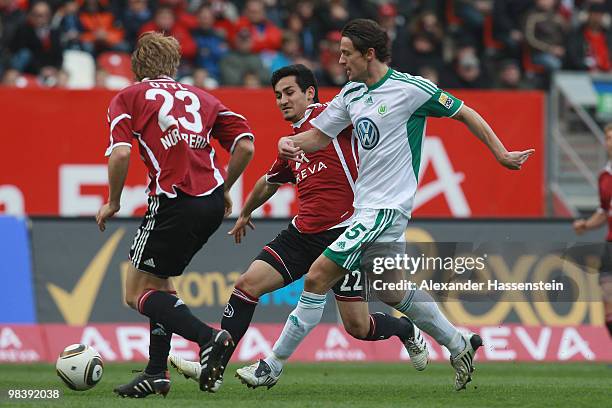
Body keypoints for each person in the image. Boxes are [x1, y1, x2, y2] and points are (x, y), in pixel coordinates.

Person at [239, 19, 534, 391]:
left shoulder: (410, 89)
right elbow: (316, 136)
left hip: (387, 209)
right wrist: (291, 142)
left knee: (316, 276)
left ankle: (273, 365)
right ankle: (459, 343)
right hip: (366, 210)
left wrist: (501, 152)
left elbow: (464, 112)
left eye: (347, 53)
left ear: (369, 53)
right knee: (391, 290)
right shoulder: (351, 95)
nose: (341, 60)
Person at [167, 63, 427, 392]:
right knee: (247, 284)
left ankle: (404, 330)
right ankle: (214, 363)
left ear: (309, 93)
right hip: (303, 235)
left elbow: (370, 119)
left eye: (289, 93)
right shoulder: (293, 143)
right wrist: (245, 212)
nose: (282, 100)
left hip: (348, 234)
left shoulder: (334, 117)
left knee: (358, 327)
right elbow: (269, 181)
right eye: (277, 96)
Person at [95, 32, 255, 398]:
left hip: (173, 200)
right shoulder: (202, 97)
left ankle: (209, 338)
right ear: (174, 65)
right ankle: (157, 372)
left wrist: (113, 201)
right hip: (212, 203)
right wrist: (226, 186)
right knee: (161, 285)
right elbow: (245, 143)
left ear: (137, 66)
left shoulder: (128, 97)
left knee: (136, 293)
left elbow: (119, 154)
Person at [573, 123, 612, 341]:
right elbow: (604, 211)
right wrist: (586, 225)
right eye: (608, 138)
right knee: (608, 303)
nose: (610, 142)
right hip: (610, 244)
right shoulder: (604, 177)